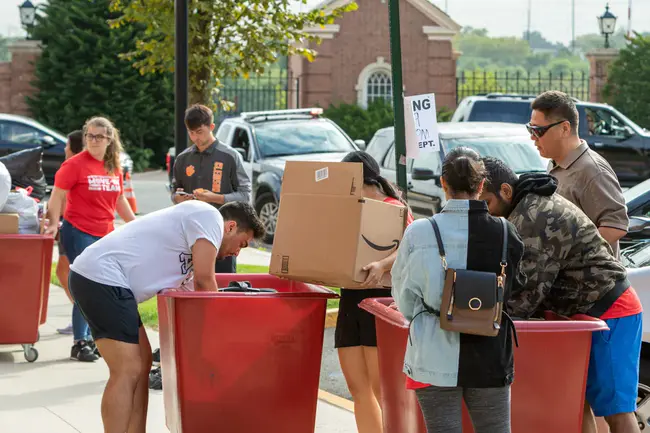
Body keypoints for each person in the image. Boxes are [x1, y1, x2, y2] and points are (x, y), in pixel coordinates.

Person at [67, 200, 264, 433]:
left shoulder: (190, 256)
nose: (237, 252)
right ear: (230, 227)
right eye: (241, 244)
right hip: (101, 276)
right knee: (127, 369)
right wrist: (220, 335)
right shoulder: (210, 216)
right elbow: (204, 281)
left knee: (143, 363)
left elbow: (192, 302)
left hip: (111, 284)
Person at [480, 157, 643, 433]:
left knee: (618, 413)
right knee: (577, 406)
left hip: (609, 311)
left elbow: (525, 295)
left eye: (487, 204)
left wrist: (478, 317)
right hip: (580, 315)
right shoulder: (523, 209)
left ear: (506, 191)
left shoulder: (533, 216)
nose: (486, 214)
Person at [391, 148, 525, 433]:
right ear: (481, 185)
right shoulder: (505, 231)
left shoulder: (419, 232)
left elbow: (404, 298)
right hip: (490, 354)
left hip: (432, 354)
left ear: (443, 183)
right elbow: (512, 288)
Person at [45, 117, 136, 362]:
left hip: (105, 233)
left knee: (100, 286)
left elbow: (119, 199)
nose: (93, 141)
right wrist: (53, 223)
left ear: (109, 140)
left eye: (99, 137)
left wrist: (135, 225)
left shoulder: (113, 166)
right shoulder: (74, 165)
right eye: (90, 136)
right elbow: (57, 195)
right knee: (88, 284)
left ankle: (92, 339)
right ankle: (80, 342)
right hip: (78, 231)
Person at [334, 151, 413, 433]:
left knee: (382, 388)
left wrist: (382, 263)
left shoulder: (394, 207)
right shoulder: (346, 207)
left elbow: (410, 246)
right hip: (350, 298)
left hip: (381, 300)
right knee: (357, 387)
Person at [528, 90, 628, 257]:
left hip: (594, 281)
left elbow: (616, 226)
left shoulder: (592, 170)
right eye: (530, 129)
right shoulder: (554, 163)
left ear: (564, 128)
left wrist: (571, 255)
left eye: (538, 131)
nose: (533, 137)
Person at [171, 103, 252, 274]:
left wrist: (215, 198)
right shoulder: (182, 159)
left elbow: (245, 195)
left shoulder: (230, 156)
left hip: (223, 235)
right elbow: (175, 191)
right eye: (191, 133)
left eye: (199, 132)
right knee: (191, 285)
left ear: (211, 127)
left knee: (223, 287)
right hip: (191, 234)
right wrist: (178, 198)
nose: (195, 138)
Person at [55, 130, 84, 335]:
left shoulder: (74, 167)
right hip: (67, 227)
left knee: (69, 275)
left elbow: (61, 199)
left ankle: (83, 318)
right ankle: (83, 316)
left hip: (74, 228)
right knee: (63, 273)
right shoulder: (72, 166)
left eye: (67, 145)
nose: (64, 148)